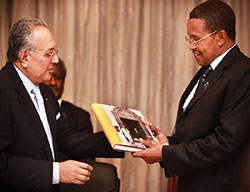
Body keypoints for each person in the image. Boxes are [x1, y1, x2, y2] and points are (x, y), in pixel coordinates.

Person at [133, 1, 250, 192]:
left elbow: (225, 142)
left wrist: (166, 154)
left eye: (196, 39)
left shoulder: (243, 72)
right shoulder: (208, 70)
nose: (191, 47)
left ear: (220, 37)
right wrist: (168, 143)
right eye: (189, 39)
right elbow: (200, 133)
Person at [0, 17, 123, 192]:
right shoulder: (3, 90)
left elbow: (67, 138)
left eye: (55, 52)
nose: (56, 60)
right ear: (25, 57)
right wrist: (56, 172)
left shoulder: (45, 91)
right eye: (49, 54)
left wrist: (120, 139)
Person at [46, 58, 120, 192]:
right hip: (39, 178)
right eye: (49, 77)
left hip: (73, 184)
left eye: (58, 77)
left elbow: (87, 158)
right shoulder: (28, 110)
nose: (53, 83)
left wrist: (120, 139)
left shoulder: (81, 115)